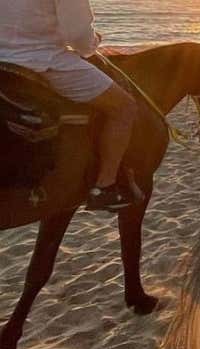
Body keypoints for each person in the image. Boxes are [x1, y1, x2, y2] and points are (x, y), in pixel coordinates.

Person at [0, 0, 138, 211]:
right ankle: (105, 186)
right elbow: (78, 36)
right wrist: (93, 42)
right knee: (124, 108)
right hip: (41, 60)